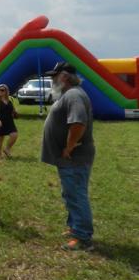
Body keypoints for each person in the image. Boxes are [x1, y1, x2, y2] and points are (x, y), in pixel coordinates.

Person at [41, 62, 95, 251]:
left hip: (74, 157)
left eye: (53, 76)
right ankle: (75, 227)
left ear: (63, 76)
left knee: (76, 194)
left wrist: (69, 147)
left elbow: (78, 123)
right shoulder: (70, 94)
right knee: (70, 192)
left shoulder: (73, 95)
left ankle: (82, 237)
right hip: (70, 158)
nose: (51, 80)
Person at [0, 84, 18, 158]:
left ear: (6, 91)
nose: (0, 91)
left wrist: (15, 112)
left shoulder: (11, 99)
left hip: (9, 121)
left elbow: (13, 108)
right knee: (0, 139)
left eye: (2, 90)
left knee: (14, 135)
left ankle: (7, 149)